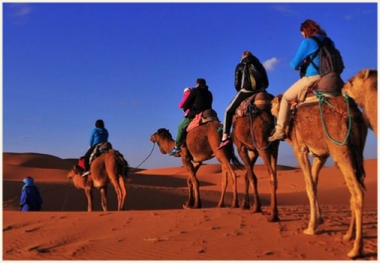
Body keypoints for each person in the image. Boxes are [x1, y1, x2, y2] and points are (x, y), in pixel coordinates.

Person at [268, 19, 332, 142]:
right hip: (331, 77)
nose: (302, 35)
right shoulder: (329, 41)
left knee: (286, 98)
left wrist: (300, 64)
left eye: (302, 32)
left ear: (305, 30)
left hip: (314, 76)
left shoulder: (308, 42)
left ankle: (280, 131)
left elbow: (293, 64)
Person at [218, 51, 269, 149]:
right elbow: (266, 82)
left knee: (228, 111)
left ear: (243, 57)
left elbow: (237, 84)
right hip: (262, 90)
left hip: (246, 91)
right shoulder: (259, 65)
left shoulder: (240, 66)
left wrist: (241, 90)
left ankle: (225, 137)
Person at [169, 78, 213, 156]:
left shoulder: (195, 91)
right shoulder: (209, 93)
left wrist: (186, 108)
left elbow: (186, 103)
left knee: (180, 127)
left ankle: (177, 146)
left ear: (197, 84)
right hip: (209, 113)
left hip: (196, 113)